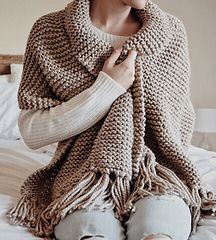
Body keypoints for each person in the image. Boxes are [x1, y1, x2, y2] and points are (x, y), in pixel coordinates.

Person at [7, 0, 216, 239]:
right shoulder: (49, 31)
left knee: (159, 231)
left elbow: (180, 120)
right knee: (91, 231)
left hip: (158, 172)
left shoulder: (171, 32)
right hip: (84, 176)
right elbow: (32, 131)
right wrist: (107, 88)